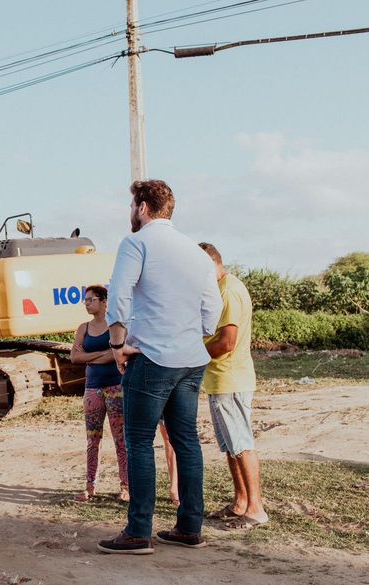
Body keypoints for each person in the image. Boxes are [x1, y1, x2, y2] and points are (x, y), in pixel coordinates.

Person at [97, 180, 222, 555]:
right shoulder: (196, 252)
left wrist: (118, 345)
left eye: (132, 204)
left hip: (151, 357)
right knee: (187, 442)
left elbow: (118, 295)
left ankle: (138, 532)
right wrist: (191, 333)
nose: (130, 211)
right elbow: (211, 309)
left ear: (143, 208)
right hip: (191, 360)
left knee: (138, 442)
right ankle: (189, 527)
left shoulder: (136, 243)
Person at [199, 242, 269, 529]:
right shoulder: (221, 289)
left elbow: (226, 341)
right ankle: (241, 502)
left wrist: (195, 355)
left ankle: (256, 508)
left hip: (230, 378)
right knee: (230, 446)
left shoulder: (228, 290)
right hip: (221, 379)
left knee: (241, 445)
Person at [69, 285, 129, 502]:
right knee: (92, 439)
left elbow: (117, 354)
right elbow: (74, 357)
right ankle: (90, 486)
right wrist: (104, 354)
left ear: (104, 302)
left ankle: (126, 486)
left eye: (90, 299)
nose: (86, 303)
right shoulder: (83, 328)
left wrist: (90, 356)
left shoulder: (114, 326)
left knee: (120, 439)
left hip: (115, 387)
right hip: (92, 388)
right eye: (85, 300)